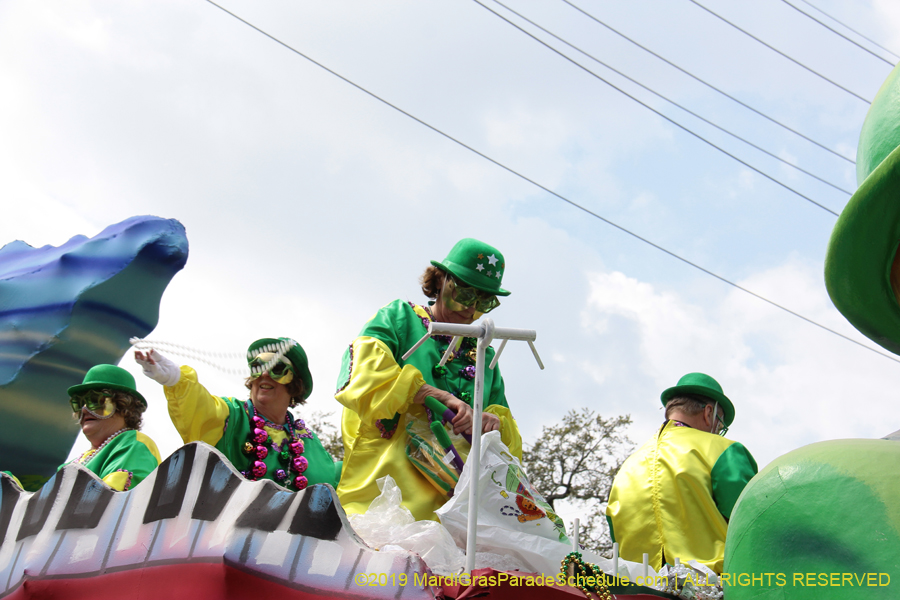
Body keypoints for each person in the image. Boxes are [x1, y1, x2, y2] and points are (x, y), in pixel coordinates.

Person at [335, 238, 523, 521]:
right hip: (385, 504)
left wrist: (492, 424)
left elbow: (508, 448)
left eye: (484, 301)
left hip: (456, 517)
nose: (471, 309)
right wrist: (427, 393)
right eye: (465, 294)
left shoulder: (484, 356)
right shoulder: (400, 317)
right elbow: (361, 374)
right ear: (439, 280)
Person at [135, 337, 339, 490]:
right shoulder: (232, 416)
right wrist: (176, 380)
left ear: (295, 383)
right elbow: (203, 409)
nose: (264, 374)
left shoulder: (307, 441)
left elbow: (330, 483)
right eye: (258, 366)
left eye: (277, 368)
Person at [605, 372, 758, 574]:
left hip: (636, 585)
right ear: (709, 412)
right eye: (719, 423)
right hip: (712, 584)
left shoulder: (627, 467)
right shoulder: (723, 450)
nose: (717, 431)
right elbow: (754, 524)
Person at [64, 364, 161, 491]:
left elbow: (109, 497)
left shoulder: (134, 444)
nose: (84, 409)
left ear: (124, 406)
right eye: (80, 403)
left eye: (95, 401)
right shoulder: (70, 465)